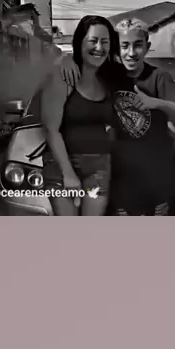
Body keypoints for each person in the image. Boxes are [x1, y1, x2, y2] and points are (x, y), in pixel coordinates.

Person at [60, 18, 175, 216]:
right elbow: (82, 61)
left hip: (157, 176)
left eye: (138, 45)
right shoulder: (108, 75)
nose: (131, 53)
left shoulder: (159, 77)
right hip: (120, 177)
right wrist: (66, 59)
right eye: (125, 45)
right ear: (117, 48)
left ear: (147, 47)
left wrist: (156, 103)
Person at [40, 15, 121, 216]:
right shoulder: (64, 75)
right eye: (93, 40)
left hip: (99, 167)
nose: (99, 47)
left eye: (105, 41)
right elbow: (50, 129)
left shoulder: (108, 78)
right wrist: (68, 174)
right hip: (62, 165)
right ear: (80, 42)